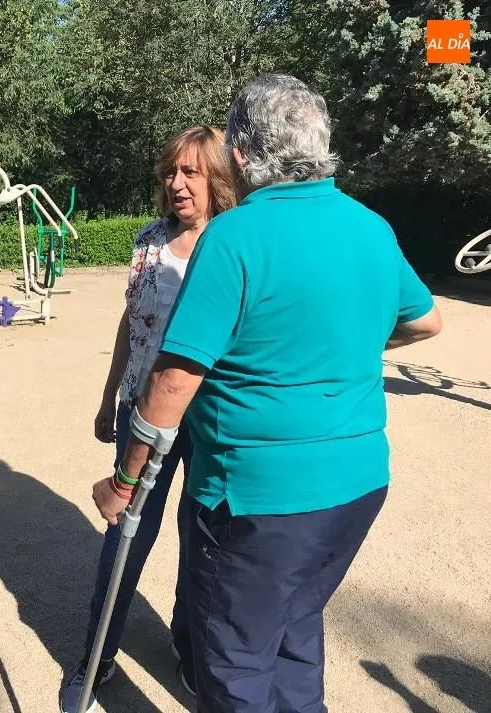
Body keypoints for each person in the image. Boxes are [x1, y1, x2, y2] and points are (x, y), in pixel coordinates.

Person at [94, 73, 442, 713]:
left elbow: (173, 382)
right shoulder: (371, 226)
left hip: (257, 498)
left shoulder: (236, 237)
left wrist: (123, 480)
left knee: (235, 663)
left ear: (243, 155)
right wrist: (350, 345)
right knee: (295, 633)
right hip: (356, 486)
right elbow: (424, 320)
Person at [60, 126, 237, 713]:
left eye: (192, 172)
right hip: (144, 411)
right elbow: (129, 323)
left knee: (202, 542)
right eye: (171, 172)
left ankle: (189, 653)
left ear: (218, 178)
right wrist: (110, 394)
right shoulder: (148, 243)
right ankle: (97, 655)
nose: (178, 183)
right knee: (126, 534)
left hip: (210, 419)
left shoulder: (235, 243)